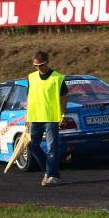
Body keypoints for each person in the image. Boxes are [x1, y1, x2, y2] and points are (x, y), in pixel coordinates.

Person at [26, 51, 68, 187]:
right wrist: (28, 117)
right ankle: (48, 171)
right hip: (35, 117)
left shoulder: (57, 78)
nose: (38, 68)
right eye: (36, 66)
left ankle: (54, 176)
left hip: (51, 118)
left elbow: (63, 97)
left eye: (41, 65)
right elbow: (30, 98)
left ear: (47, 62)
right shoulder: (31, 78)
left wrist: (63, 115)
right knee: (32, 145)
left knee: (52, 148)